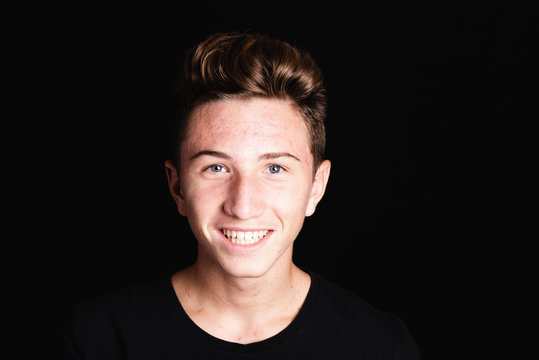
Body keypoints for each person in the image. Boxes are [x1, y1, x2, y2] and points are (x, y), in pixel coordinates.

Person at [64, 32, 422, 359]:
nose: (243, 205)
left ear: (316, 187)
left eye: (275, 169)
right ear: (177, 187)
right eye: (216, 168)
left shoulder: (379, 346)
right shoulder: (98, 339)